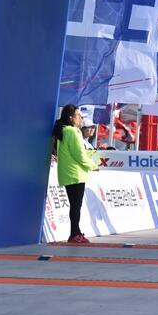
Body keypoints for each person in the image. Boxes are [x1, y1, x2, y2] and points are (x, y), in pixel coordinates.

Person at [52, 104, 99, 243]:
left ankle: (76, 232)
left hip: (68, 172)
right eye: (78, 115)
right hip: (76, 173)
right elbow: (79, 155)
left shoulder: (64, 131)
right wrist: (93, 166)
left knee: (75, 205)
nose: (81, 118)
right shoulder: (72, 132)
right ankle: (74, 234)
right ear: (71, 117)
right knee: (76, 206)